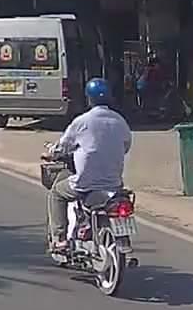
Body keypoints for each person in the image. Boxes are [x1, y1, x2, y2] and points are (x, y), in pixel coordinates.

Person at [47, 78, 133, 252]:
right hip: (114, 184)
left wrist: (52, 153)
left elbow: (63, 146)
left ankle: (60, 239)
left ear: (89, 99)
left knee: (56, 194)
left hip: (86, 184)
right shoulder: (120, 121)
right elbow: (126, 146)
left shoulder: (82, 122)